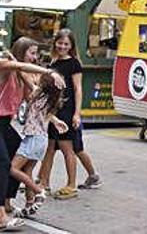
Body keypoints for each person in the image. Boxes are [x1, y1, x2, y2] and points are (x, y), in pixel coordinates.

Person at [0, 40, 64, 230]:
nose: (35, 58)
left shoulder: (22, 77)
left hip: (4, 123)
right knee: (4, 164)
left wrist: (54, 120)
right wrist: (49, 72)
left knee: (14, 153)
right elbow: (18, 65)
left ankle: (7, 201)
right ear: (21, 52)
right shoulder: (4, 64)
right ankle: (1, 216)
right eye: (32, 53)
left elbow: (35, 103)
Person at [36, 30, 101, 200]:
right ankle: (44, 182)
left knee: (68, 149)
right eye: (60, 43)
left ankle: (71, 184)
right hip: (52, 109)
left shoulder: (74, 64)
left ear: (71, 46)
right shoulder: (52, 61)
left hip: (66, 110)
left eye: (66, 44)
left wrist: (77, 113)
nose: (62, 46)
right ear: (55, 43)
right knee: (49, 148)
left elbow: (78, 89)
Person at [11, 73, 68, 218]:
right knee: (27, 170)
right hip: (41, 139)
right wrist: (56, 121)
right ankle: (30, 203)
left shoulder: (39, 95)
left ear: (44, 84)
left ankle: (38, 191)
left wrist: (15, 62)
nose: (36, 76)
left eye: (39, 76)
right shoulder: (49, 98)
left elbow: (25, 76)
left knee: (12, 168)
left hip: (34, 139)